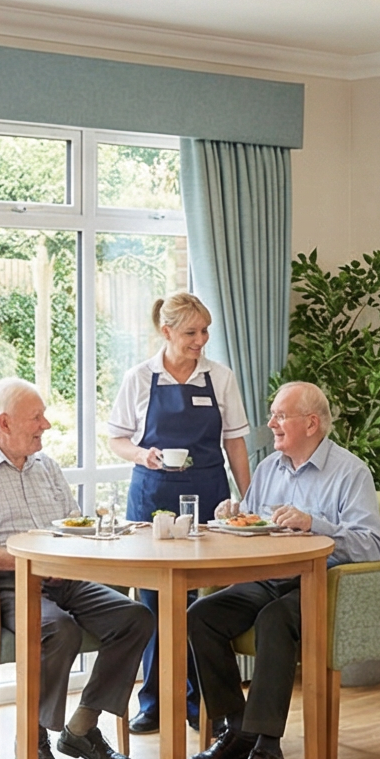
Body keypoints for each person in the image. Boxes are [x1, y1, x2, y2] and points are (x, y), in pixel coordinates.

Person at [0, 379, 150, 759]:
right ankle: (33, 736)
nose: (47, 425)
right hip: (9, 583)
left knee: (135, 617)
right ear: (4, 422)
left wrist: (110, 534)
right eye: (36, 417)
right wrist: (22, 560)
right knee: (58, 629)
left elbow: (75, 525)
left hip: (64, 578)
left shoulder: (47, 467)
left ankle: (82, 729)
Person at [186, 381, 380, 759]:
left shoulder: (350, 472)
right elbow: (254, 524)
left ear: (311, 423)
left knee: (274, 620)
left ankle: (268, 750)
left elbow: (372, 545)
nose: (271, 423)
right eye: (273, 413)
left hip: (320, 585)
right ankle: (237, 729)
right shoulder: (268, 468)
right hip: (269, 578)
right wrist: (233, 514)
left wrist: (315, 524)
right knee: (201, 617)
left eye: (280, 415)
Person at [103, 292, 254, 734]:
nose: (200, 340)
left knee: (202, 601)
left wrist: (249, 498)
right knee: (151, 601)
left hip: (209, 496)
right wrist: (143, 455)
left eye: (205, 331)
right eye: (191, 332)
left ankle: (202, 701)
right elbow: (117, 438)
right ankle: (154, 701)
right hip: (153, 498)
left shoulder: (220, 377)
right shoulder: (140, 377)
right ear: (166, 332)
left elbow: (236, 443)